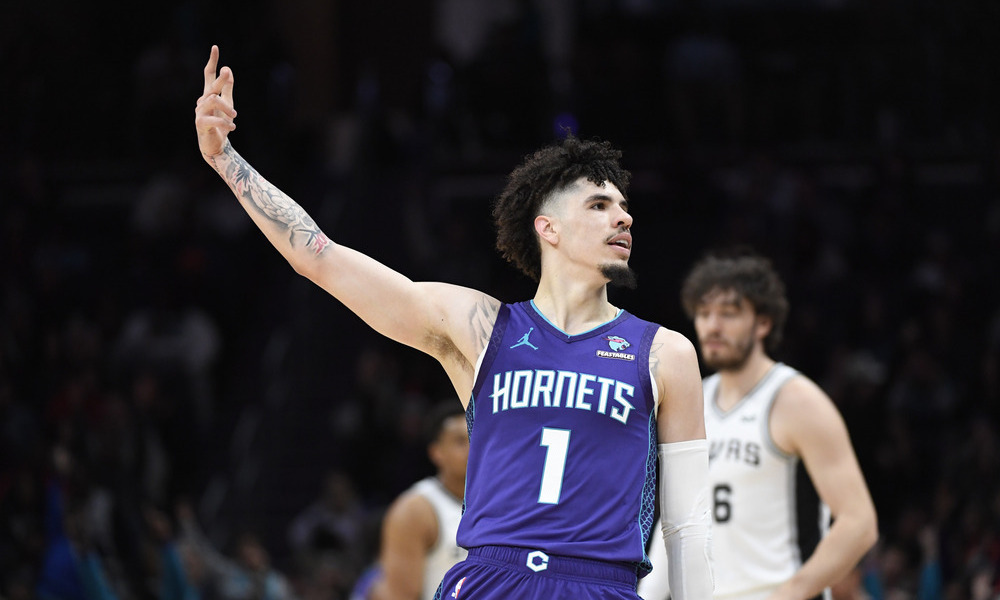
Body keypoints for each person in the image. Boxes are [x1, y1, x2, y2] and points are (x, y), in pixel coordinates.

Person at [195, 45, 713, 599]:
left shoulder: (665, 354)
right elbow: (319, 255)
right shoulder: (481, 327)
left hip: (599, 584)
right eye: (599, 205)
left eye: (625, 206)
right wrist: (226, 159)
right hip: (492, 577)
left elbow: (688, 526)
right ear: (549, 228)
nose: (623, 215)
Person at [638, 250, 878, 600]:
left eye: (728, 314)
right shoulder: (691, 401)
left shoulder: (796, 400)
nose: (712, 326)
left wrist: (791, 593)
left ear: (763, 323)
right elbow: (677, 521)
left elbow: (859, 524)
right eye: (703, 314)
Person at [350, 402, 470, 600]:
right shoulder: (416, 510)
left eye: (477, 439)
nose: (471, 448)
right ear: (436, 452)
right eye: (460, 441)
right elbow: (399, 595)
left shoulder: (504, 500)